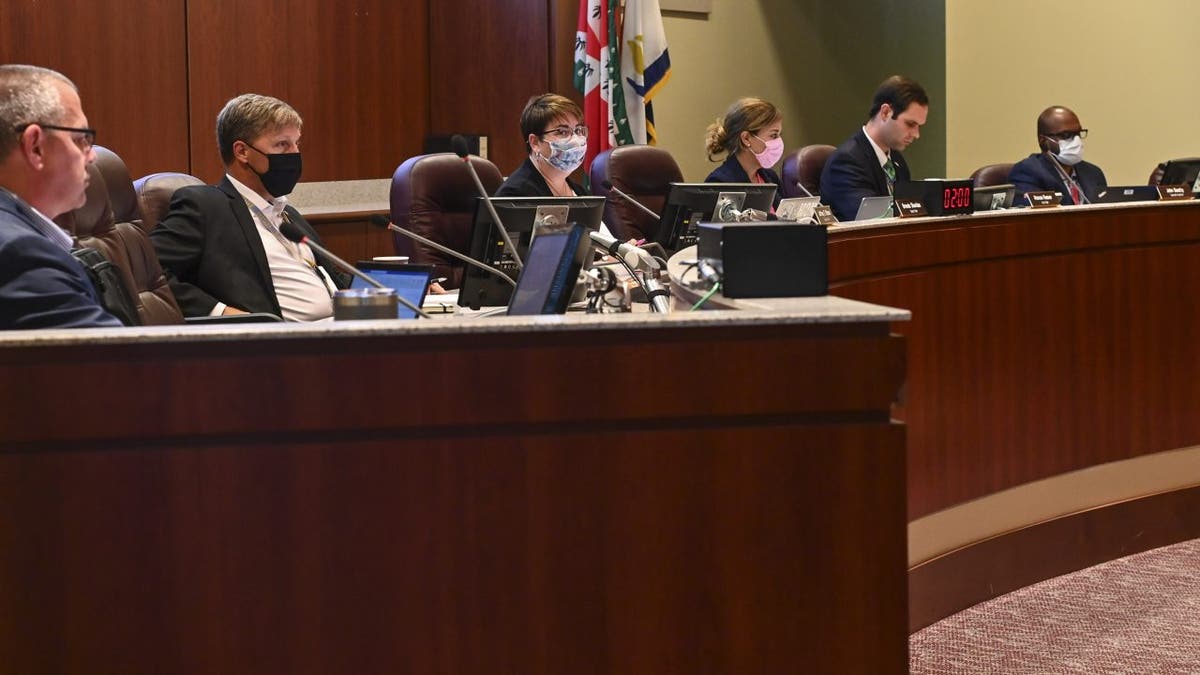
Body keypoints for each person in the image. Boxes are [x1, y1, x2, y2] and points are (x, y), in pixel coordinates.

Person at [150, 94, 348, 320]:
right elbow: (149, 271)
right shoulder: (206, 206)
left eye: (296, 143)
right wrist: (222, 312)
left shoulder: (287, 214)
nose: (295, 153)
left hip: (343, 326)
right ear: (242, 152)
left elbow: (332, 276)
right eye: (282, 144)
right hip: (281, 344)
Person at [0, 64, 121, 330]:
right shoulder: (20, 256)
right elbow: (122, 368)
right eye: (81, 139)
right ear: (36, 147)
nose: (92, 155)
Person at [821, 75, 929, 221]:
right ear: (885, 112)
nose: (916, 135)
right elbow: (871, 220)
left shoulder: (897, 161)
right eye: (910, 124)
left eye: (919, 126)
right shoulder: (846, 161)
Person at [496, 93, 589, 198]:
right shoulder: (515, 195)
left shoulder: (580, 192)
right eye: (562, 132)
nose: (575, 140)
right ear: (535, 142)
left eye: (578, 130)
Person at [1009, 106, 1106, 205]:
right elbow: (1035, 217)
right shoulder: (1027, 172)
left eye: (1078, 133)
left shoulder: (1093, 173)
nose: (1076, 141)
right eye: (1065, 135)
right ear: (1043, 140)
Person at [703, 97, 784, 209]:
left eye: (779, 135)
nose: (779, 142)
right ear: (746, 139)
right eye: (773, 135)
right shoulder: (720, 183)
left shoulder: (770, 177)